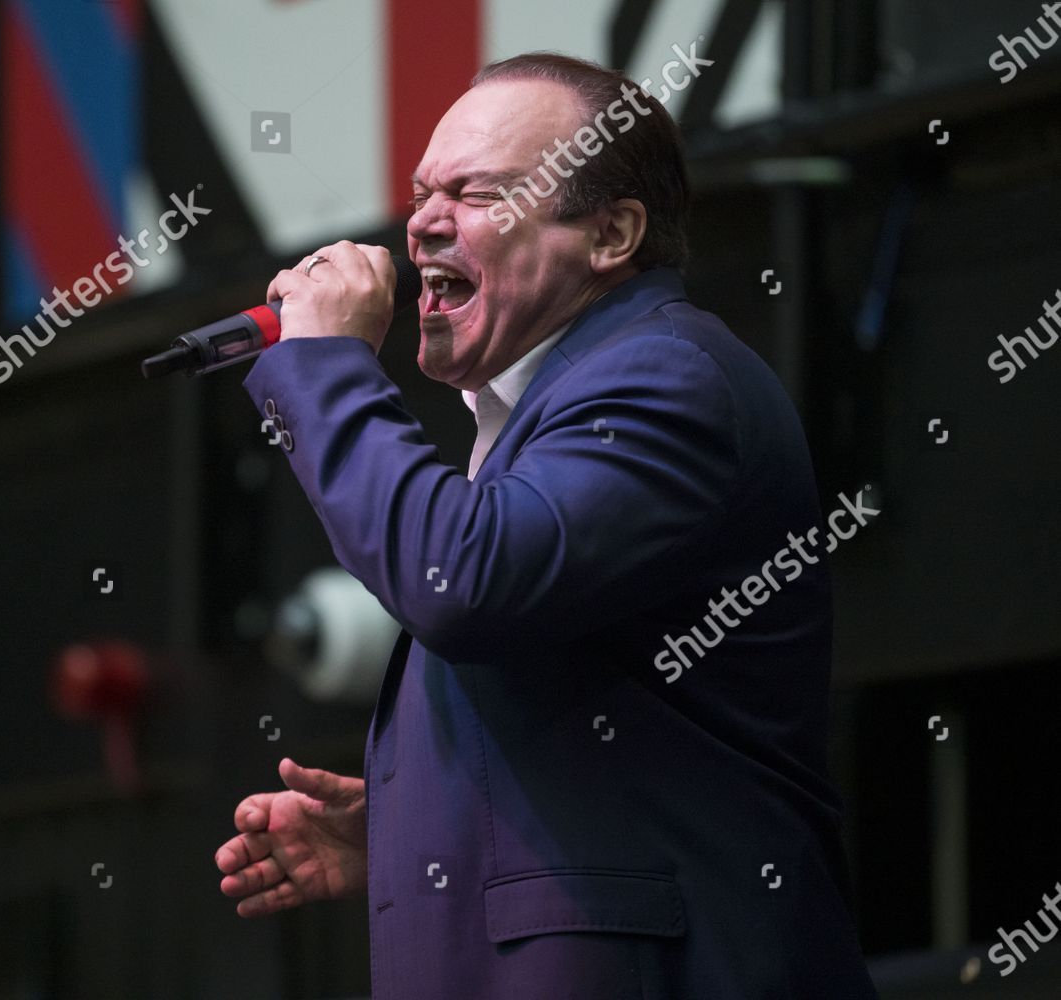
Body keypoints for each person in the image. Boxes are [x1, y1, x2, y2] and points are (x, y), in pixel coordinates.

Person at [214, 52, 878, 999]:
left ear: (612, 233)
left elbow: (465, 580)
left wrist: (324, 368)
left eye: (476, 192)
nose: (422, 223)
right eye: (420, 193)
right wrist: (418, 832)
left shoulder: (667, 376)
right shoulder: (537, 419)